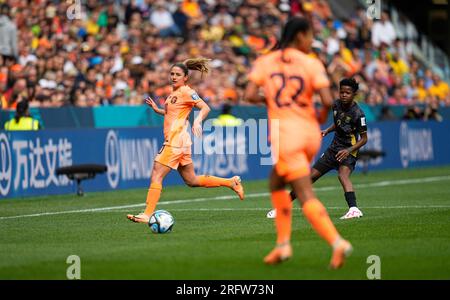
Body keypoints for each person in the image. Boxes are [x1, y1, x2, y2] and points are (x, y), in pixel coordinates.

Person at [244, 17, 352, 268]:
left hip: (287, 135)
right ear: (300, 36)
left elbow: (249, 94)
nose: (312, 40)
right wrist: (316, 119)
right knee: (276, 181)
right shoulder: (311, 63)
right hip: (310, 132)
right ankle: (283, 245)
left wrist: (272, 100)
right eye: (311, 35)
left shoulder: (265, 61)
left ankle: (337, 243)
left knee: (303, 193)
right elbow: (327, 101)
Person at [127, 58, 244, 224]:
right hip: (181, 140)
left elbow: (205, 107)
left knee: (156, 174)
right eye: (172, 74)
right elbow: (173, 114)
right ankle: (231, 182)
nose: (174, 77)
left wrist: (197, 121)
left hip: (176, 139)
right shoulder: (173, 94)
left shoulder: (187, 91)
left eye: (178, 74)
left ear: (185, 77)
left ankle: (147, 214)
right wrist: (157, 110)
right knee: (192, 180)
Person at [266, 78, 368, 220]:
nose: (344, 95)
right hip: (333, 149)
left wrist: (349, 150)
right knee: (308, 179)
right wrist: (327, 130)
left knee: (342, 175)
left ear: (354, 94)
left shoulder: (358, 114)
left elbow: (364, 139)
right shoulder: (336, 105)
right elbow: (339, 123)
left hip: (348, 150)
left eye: (348, 93)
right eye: (342, 92)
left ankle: (354, 209)